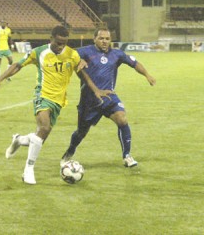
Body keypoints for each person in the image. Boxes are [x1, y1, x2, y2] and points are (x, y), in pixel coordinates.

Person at [0, 25, 113, 185]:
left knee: (39, 138)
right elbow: (17, 65)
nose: (61, 47)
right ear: (51, 39)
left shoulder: (71, 54)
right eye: (58, 43)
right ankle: (28, 170)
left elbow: (81, 73)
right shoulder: (39, 52)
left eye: (64, 43)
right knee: (44, 128)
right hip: (43, 95)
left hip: (59, 101)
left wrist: (96, 90)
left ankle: (18, 140)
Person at [60, 27, 156, 168]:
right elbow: (67, 55)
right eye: (101, 38)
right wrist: (77, 61)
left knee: (122, 118)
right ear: (94, 39)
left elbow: (135, 63)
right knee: (81, 132)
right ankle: (70, 152)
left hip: (109, 97)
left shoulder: (116, 54)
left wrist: (147, 75)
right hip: (89, 101)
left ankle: (127, 156)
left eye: (107, 39)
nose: (104, 41)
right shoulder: (85, 51)